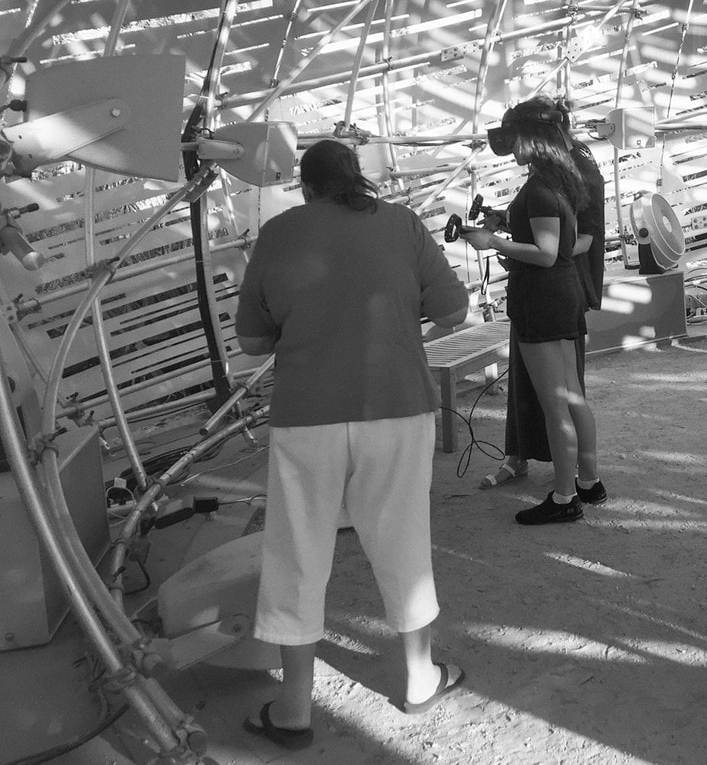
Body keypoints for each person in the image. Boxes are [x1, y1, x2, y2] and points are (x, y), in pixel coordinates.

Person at [236, 140, 470, 749]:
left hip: (305, 414)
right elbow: (454, 313)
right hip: (396, 405)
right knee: (402, 540)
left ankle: (292, 711)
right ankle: (420, 678)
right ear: (356, 178)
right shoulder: (403, 224)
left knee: (295, 552)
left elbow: (254, 344)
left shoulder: (277, 234)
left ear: (305, 186)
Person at [459, 102, 602, 524]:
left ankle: (563, 498)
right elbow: (557, 237)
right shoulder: (562, 179)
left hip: (541, 300)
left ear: (533, 139)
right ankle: (589, 484)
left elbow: (545, 253)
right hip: (564, 296)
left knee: (554, 404)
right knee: (573, 395)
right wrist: (507, 221)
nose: (509, 147)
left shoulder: (539, 187)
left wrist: (493, 242)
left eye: (515, 137)